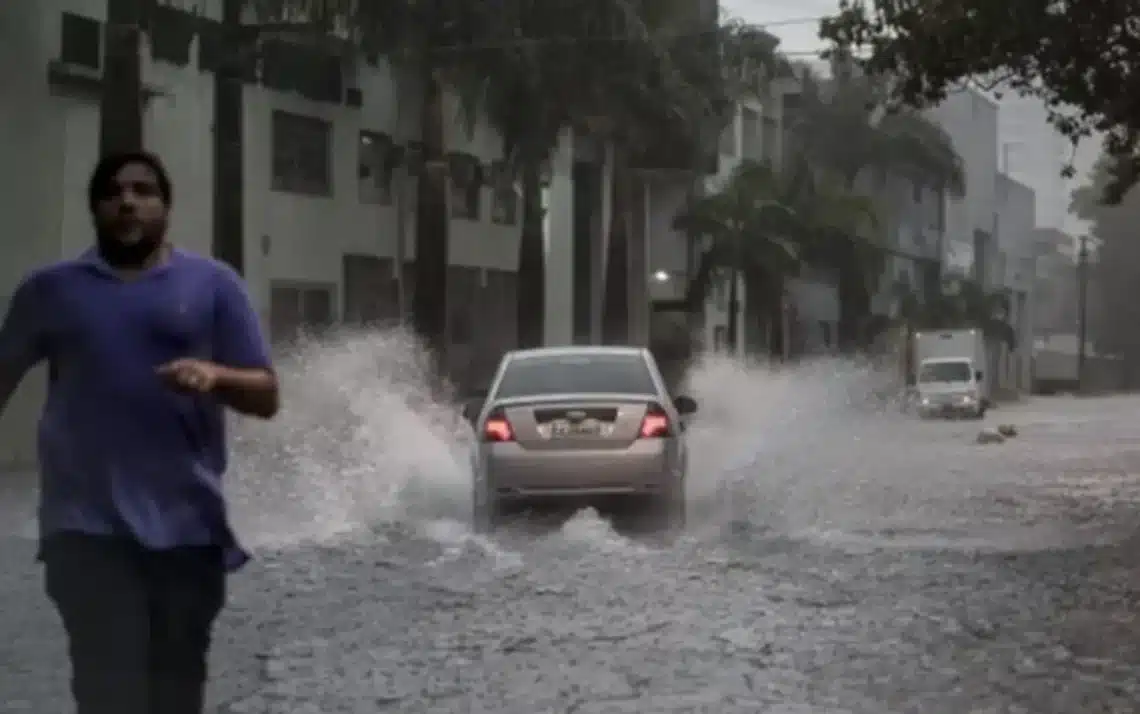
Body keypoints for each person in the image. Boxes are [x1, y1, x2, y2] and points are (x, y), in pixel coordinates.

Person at [0, 151, 280, 714]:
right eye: (113, 191)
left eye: (143, 190)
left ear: (166, 208)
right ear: (96, 209)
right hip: (84, 529)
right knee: (108, 695)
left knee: (174, 696)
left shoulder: (214, 285)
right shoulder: (50, 291)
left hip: (187, 531)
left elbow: (267, 395)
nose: (128, 201)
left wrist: (215, 376)